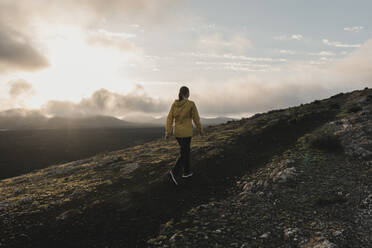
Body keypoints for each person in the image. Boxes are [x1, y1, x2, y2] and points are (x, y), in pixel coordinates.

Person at [165, 86, 203, 185]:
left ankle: (187, 172)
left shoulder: (174, 104)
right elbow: (196, 118)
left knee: (185, 151)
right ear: (187, 93)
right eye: (188, 93)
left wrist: (168, 132)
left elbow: (169, 118)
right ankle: (173, 172)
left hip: (177, 133)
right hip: (186, 133)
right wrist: (200, 130)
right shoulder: (191, 104)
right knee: (184, 153)